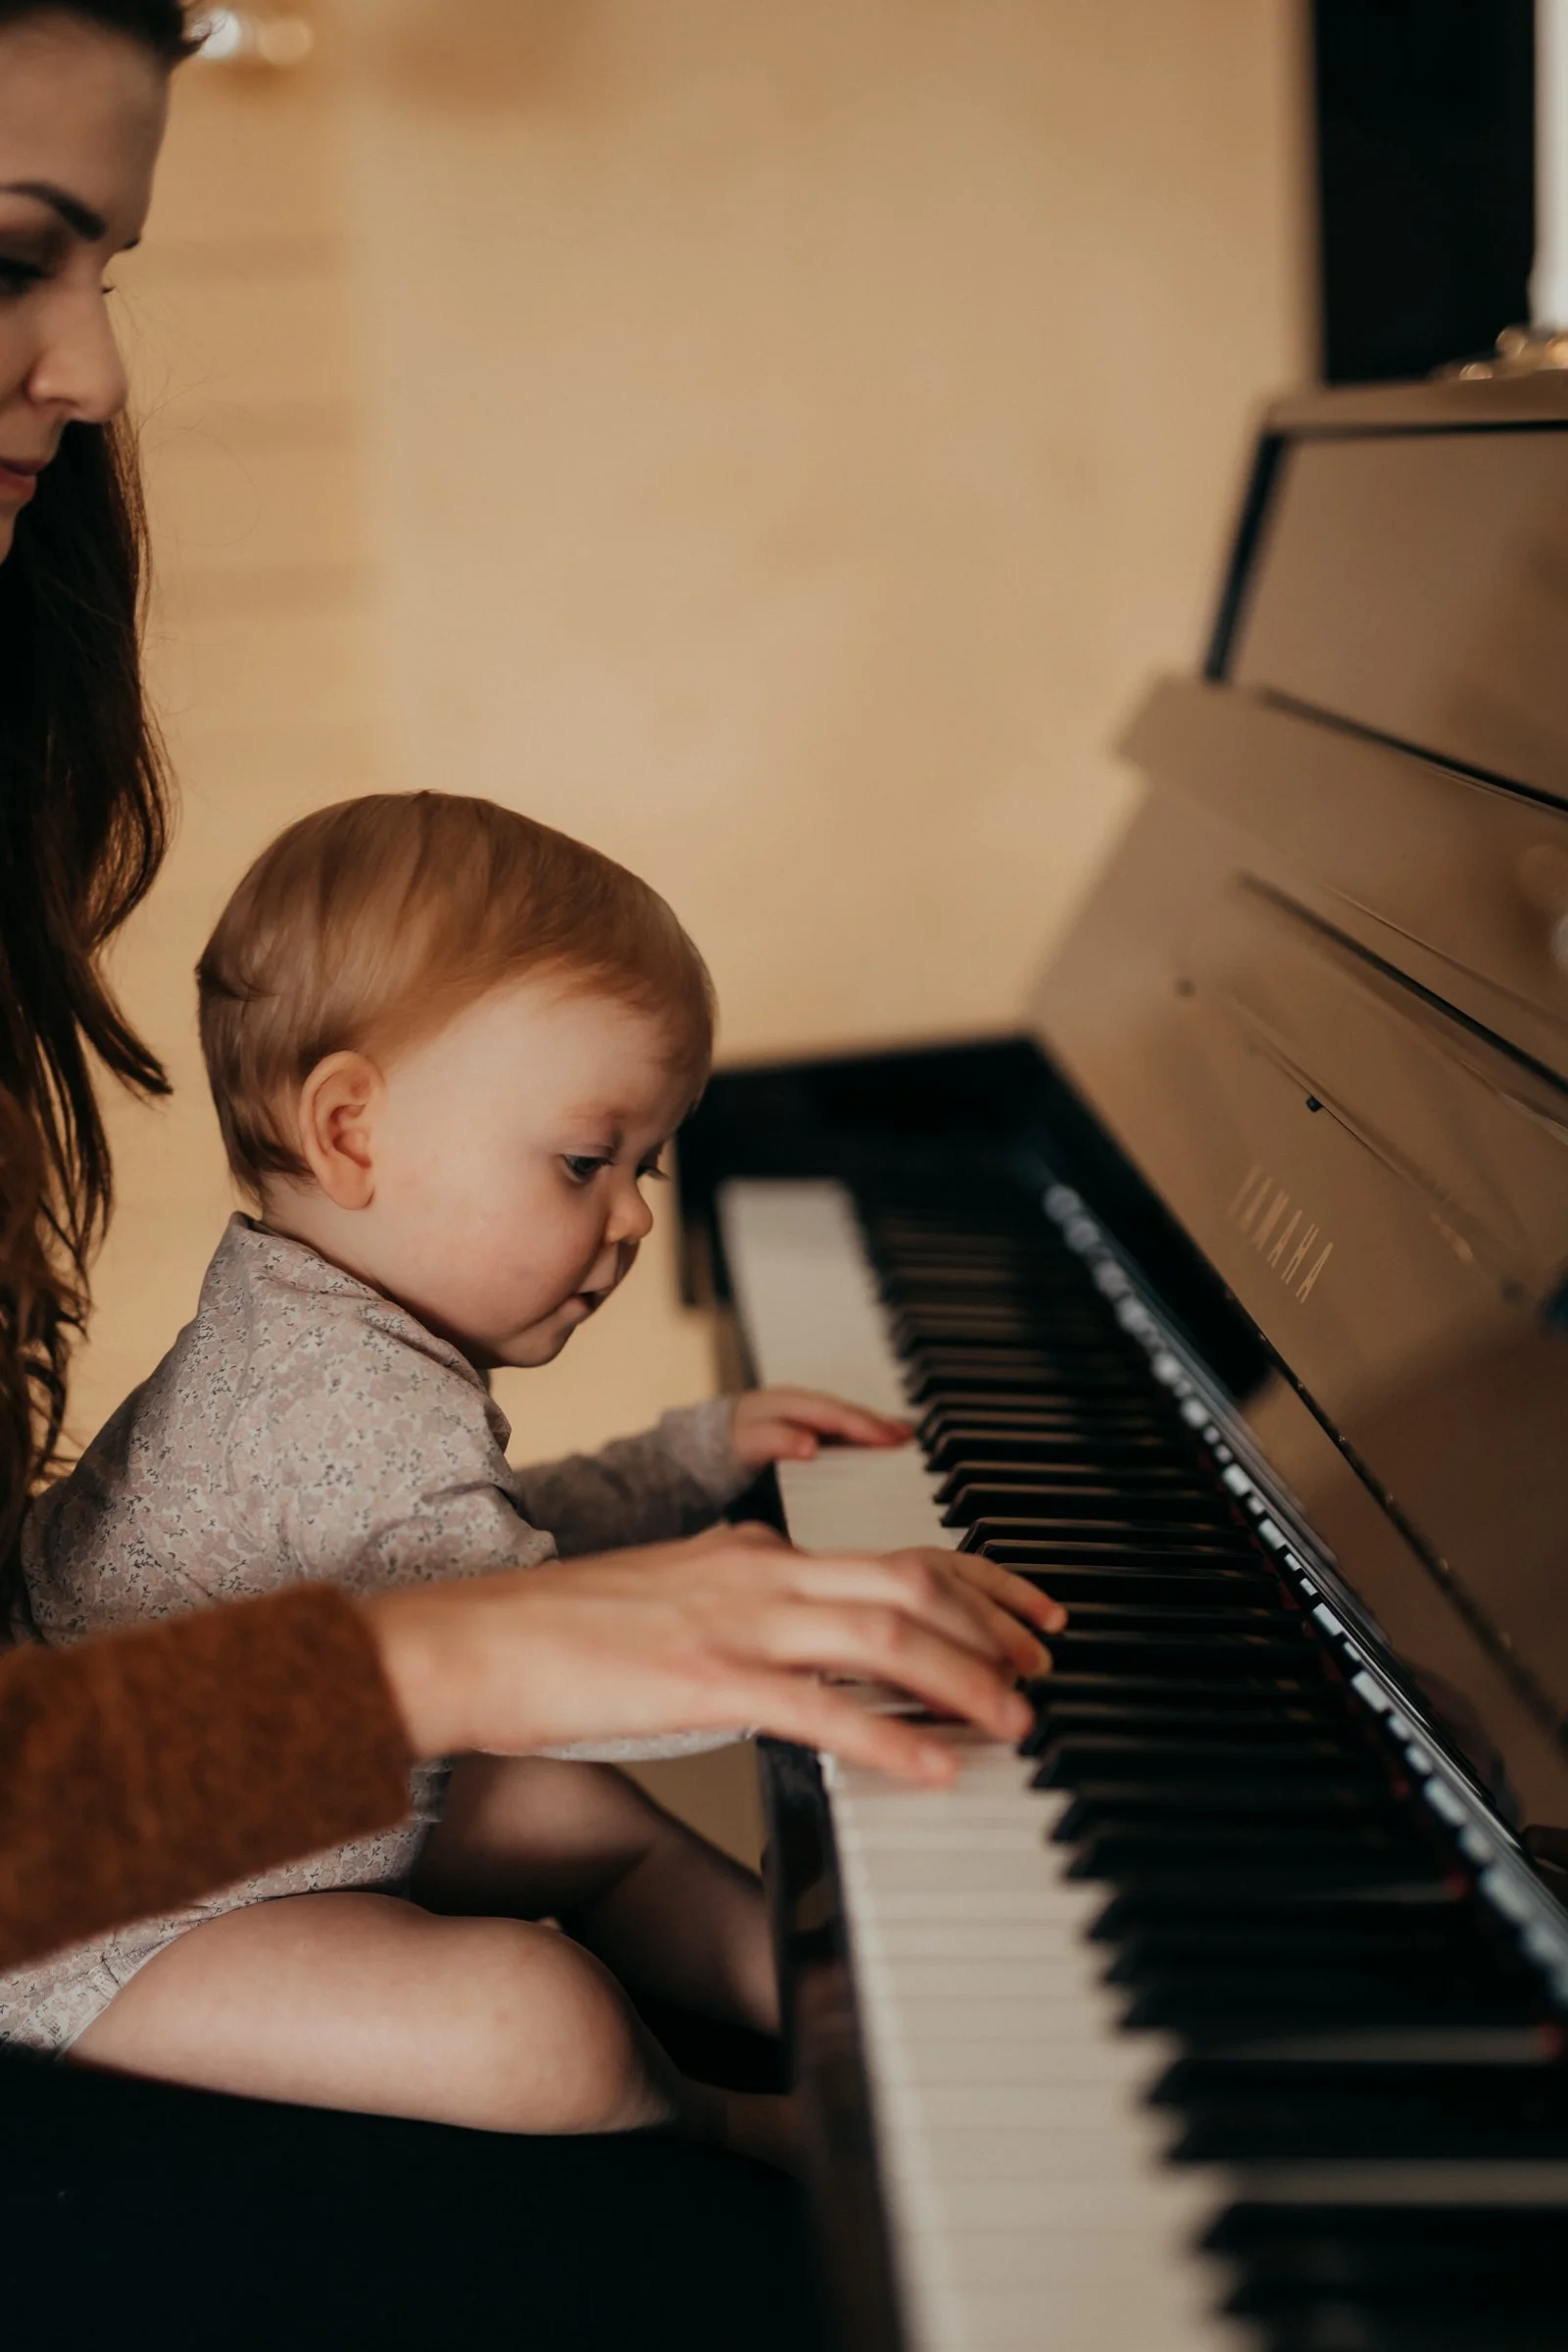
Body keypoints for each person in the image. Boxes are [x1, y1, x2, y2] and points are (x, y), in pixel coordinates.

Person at [0, 7, 1047, 2342]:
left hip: (109, 1814)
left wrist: (640, 1530)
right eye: (5, 259)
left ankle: (865, 2047)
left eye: (110, 273)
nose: (87, 375)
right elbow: (458, 1603)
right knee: (590, 2085)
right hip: (71, 1932)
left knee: (587, 1853)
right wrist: (516, 1639)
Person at [2, 788, 1060, 2146]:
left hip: (231, 1800)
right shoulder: (338, 1388)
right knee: (531, 2022)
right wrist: (808, 1654)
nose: (628, 1219)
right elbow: (543, 1675)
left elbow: (457, 1580)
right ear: (352, 1132)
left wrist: (678, 1464)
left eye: (646, 1165)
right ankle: (734, 2127)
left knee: (573, 1816)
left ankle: (840, 2004)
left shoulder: (325, 1317)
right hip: (97, 1934)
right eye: (583, 1160)